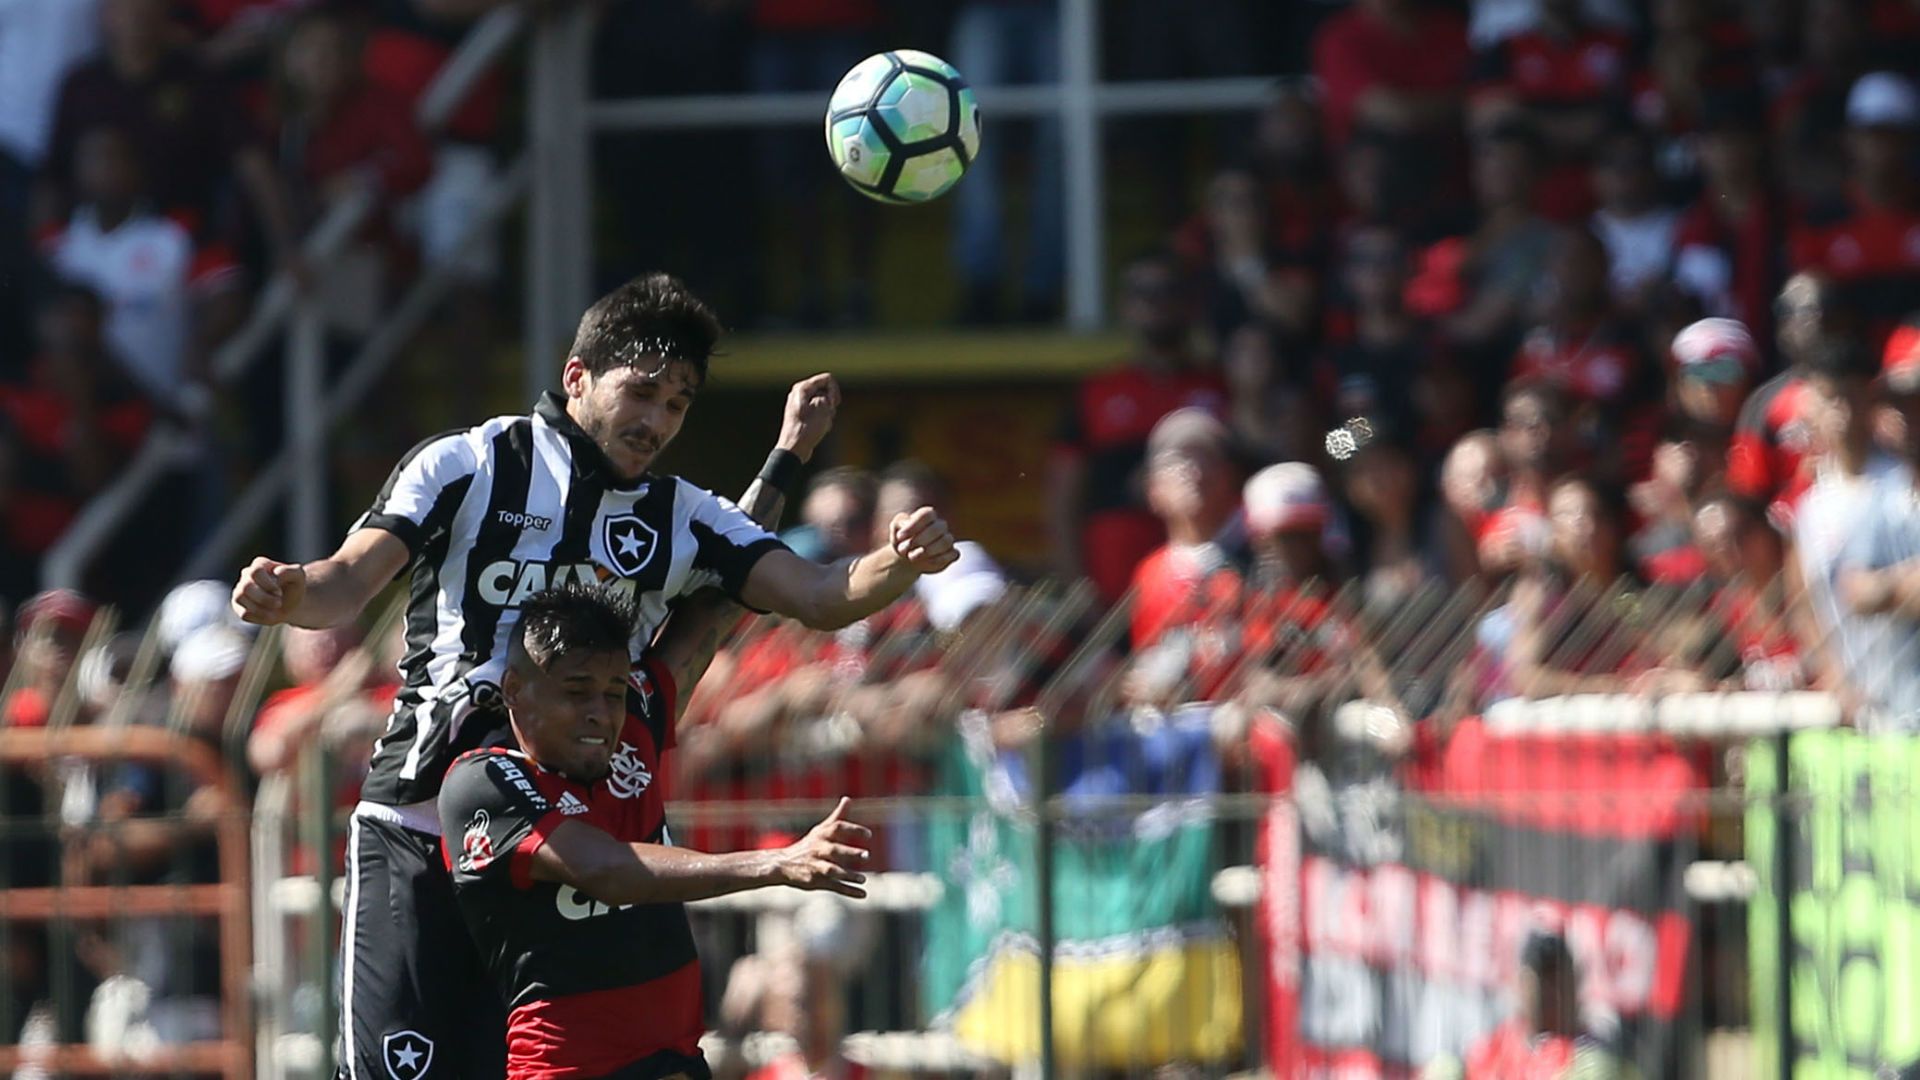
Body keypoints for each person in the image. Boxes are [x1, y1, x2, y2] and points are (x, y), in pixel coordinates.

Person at [229, 273, 959, 1079]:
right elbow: (345, 582)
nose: (656, 422)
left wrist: (899, 560)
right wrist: (290, 591)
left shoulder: (681, 514)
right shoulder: (470, 464)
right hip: (425, 822)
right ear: (577, 376)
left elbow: (818, 595)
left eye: (677, 405)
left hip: (582, 835)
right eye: (640, 393)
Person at [438, 583, 873, 1079]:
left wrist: (901, 564)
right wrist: (776, 862)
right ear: (514, 689)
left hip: (677, 1061)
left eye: (613, 693)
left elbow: (716, 605)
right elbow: (608, 871)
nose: (600, 713)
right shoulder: (484, 782)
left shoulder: (633, 731)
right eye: (576, 692)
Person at [1048, 253, 1226, 600]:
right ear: (1124, 305)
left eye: (1168, 291)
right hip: (1113, 589)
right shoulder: (1095, 393)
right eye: (1142, 292)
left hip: (1206, 588)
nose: (1155, 303)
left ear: (1190, 303)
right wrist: (1076, 587)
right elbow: (1062, 498)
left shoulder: (1220, 388)